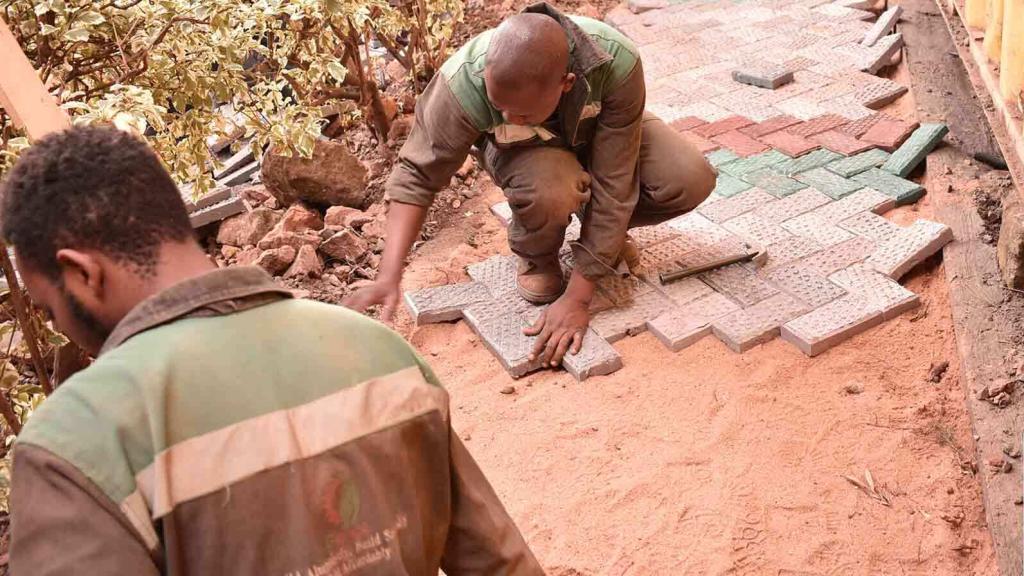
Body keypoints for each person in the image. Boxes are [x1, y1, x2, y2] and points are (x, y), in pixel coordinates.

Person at [1, 125, 543, 575]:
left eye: (51, 311)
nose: (63, 332)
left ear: (81, 273)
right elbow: (501, 562)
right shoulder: (377, 350)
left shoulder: (75, 443)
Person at [345, 2, 716, 368]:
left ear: (566, 84)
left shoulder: (615, 63)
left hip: (596, 133)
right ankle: (538, 255)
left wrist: (578, 299)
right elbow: (417, 176)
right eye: (497, 105)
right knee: (551, 190)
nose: (505, 115)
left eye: (519, 112)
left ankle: (601, 236)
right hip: (522, 153)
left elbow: (616, 179)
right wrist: (389, 274)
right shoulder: (464, 82)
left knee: (687, 179)